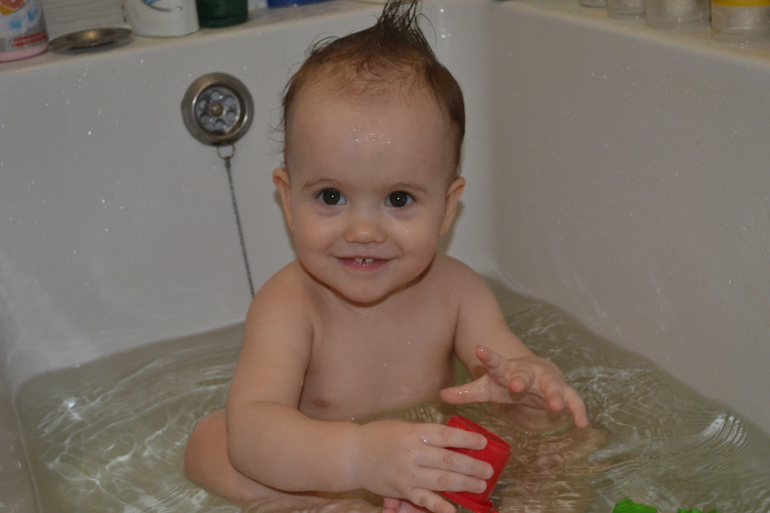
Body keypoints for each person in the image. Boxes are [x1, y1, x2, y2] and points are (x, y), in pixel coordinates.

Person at [184, 1, 589, 512]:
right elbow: (253, 431)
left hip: (421, 470)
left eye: (398, 199)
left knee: (575, 440)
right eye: (330, 196)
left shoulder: (459, 294)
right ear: (287, 200)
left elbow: (508, 378)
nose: (362, 231)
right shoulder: (290, 304)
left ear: (447, 209)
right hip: (322, 476)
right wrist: (355, 458)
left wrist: (532, 395)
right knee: (212, 443)